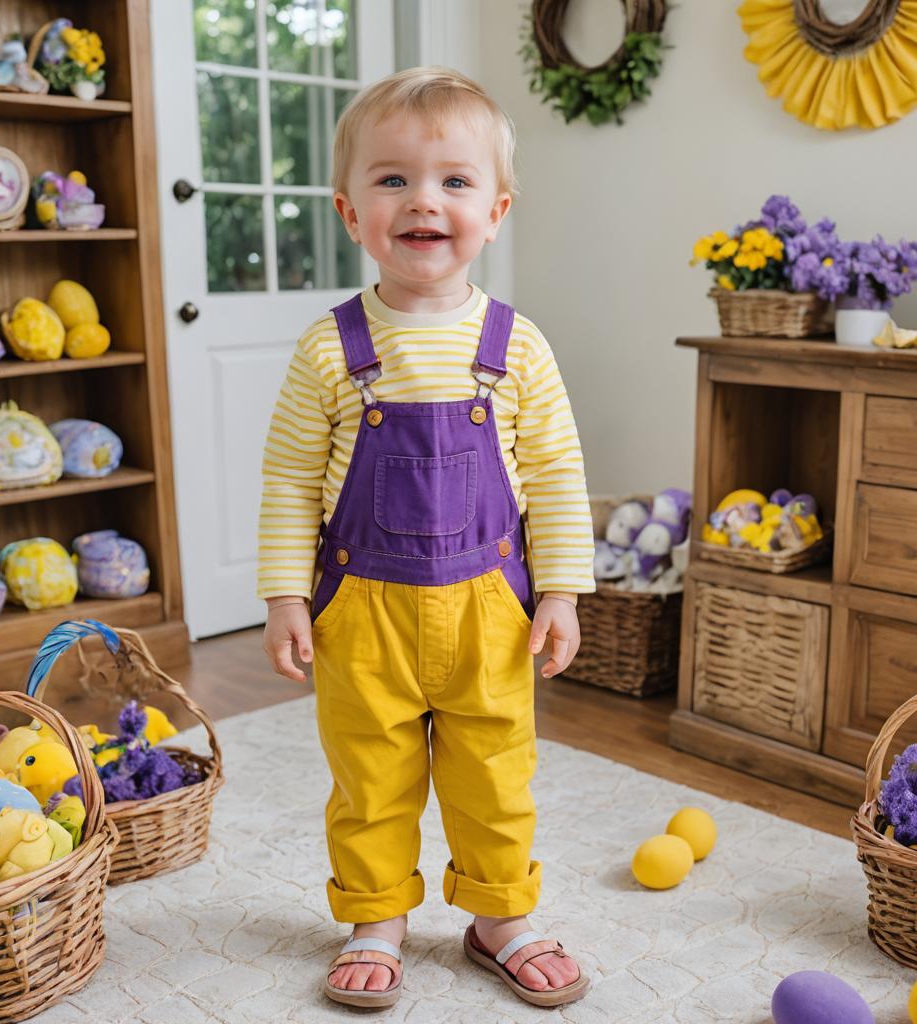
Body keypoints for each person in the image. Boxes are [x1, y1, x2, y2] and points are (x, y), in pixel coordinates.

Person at [258, 66, 595, 1010]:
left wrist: (561, 591)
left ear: (496, 210)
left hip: (491, 605)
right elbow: (288, 481)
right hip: (360, 610)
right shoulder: (329, 349)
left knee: (497, 770)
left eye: (454, 181)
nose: (423, 201)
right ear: (349, 210)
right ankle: (375, 916)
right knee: (370, 775)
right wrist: (286, 594)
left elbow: (560, 477)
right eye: (393, 178)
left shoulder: (517, 346)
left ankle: (498, 916)